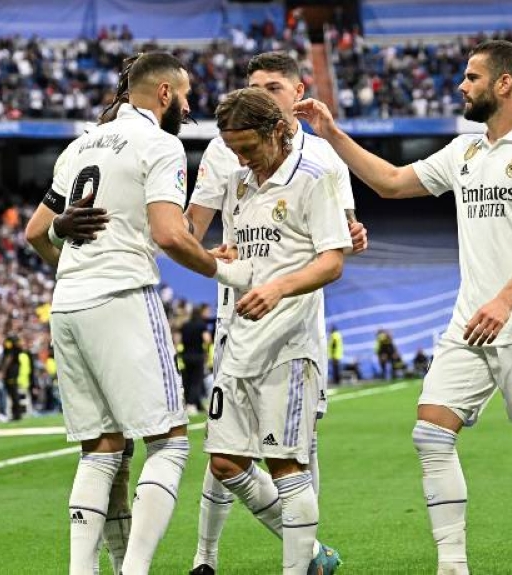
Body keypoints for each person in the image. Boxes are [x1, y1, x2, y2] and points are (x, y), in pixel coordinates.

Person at [296, 40, 512, 574]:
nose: (461, 86)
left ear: (503, 83)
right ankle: (452, 566)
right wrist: (331, 133)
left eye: (471, 77)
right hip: (470, 321)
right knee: (430, 432)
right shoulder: (464, 151)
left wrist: (505, 299)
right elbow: (391, 182)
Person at [24, 51, 252, 575]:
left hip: (68, 301)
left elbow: (36, 232)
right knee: (169, 442)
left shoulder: (80, 145)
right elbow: (170, 235)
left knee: (100, 449)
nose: (189, 107)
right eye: (186, 95)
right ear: (165, 93)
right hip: (123, 298)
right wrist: (226, 271)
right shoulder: (160, 144)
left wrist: (79, 261)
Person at [184, 51, 365, 575]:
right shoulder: (239, 179)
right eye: (233, 150)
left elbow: (332, 257)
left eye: (247, 149)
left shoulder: (318, 171)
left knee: (290, 463)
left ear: (277, 130)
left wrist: (279, 288)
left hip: (289, 340)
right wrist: (215, 263)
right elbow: (246, 259)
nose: (241, 159)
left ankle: (299, 566)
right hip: (239, 335)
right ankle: (298, 553)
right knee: (223, 461)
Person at [180, 304, 212, 414]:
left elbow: (180, 339)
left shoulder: (185, 325)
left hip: (186, 356)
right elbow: (207, 339)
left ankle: (188, 403)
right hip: (197, 356)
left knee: (187, 380)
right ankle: (191, 404)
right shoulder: (201, 325)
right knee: (196, 381)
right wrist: (207, 350)